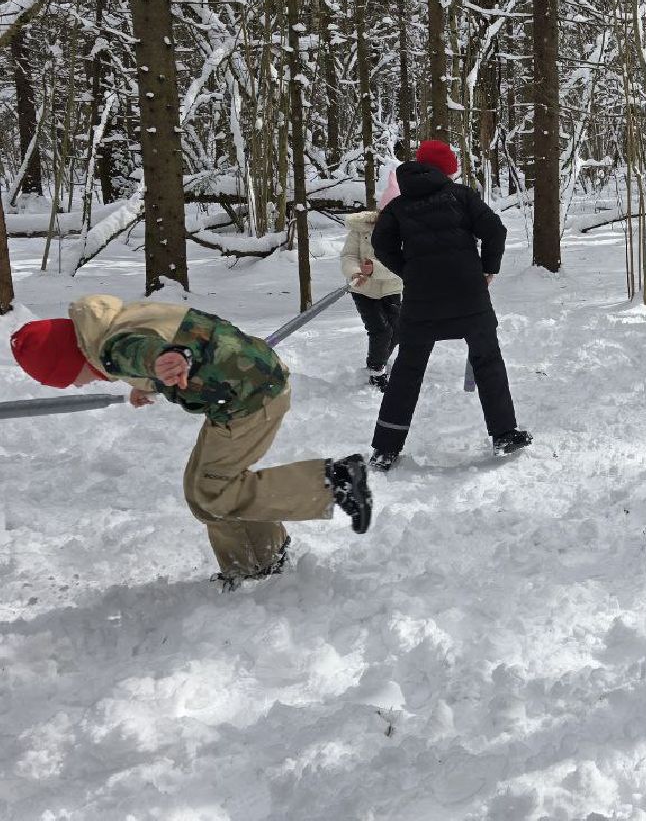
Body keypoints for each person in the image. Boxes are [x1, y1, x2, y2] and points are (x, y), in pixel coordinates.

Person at [9, 297, 372, 590]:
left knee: (215, 490)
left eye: (69, 379)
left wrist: (163, 361)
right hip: (241, 392)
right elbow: (150, 344)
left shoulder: (115, 348)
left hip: (251, 400)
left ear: (70, 359)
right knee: (201, 488)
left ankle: (334, 482)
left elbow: (146, 349)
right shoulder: (110, 325)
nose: (76, 386)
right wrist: (148, 383)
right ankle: (257, 559)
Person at [368, 139, 531, 470]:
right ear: (447, 170)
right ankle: (504, 434)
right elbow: (495, 231)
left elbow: (380, 245)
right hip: (469, 294)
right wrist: (488, 268)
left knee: (406, 371)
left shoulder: (398, 206)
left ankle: (386, 449)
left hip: (421, 301)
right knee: (488, 361)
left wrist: (410, 271)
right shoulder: (461, 196)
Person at [342, 169, 404, 389]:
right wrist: (355, 271)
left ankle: (378, 362)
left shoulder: (406, 232)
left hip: (391, 287)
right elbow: (348, 255)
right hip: (363, 289)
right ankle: (376, 370)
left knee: (396, 331)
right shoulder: (362, 229)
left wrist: (374, 269)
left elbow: (401, 264)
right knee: (381, 329)